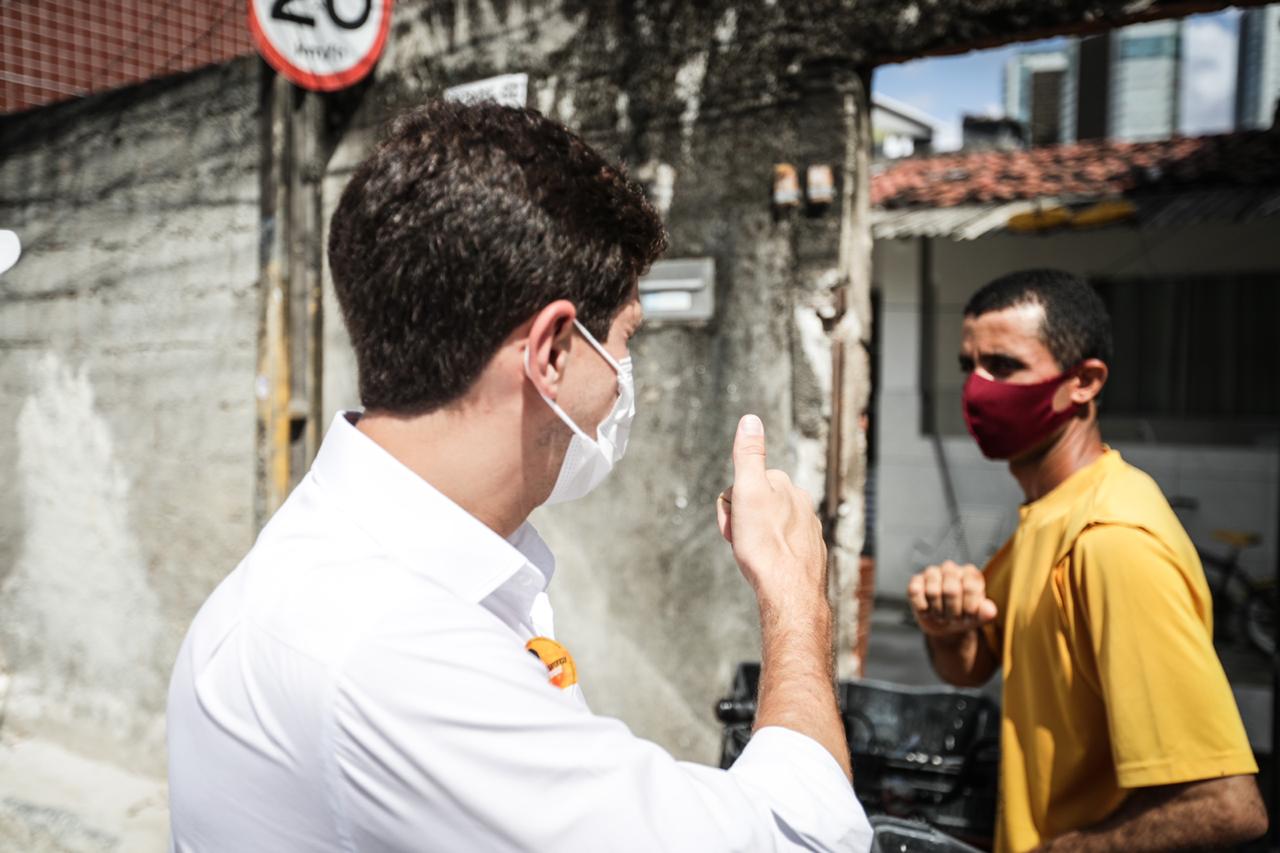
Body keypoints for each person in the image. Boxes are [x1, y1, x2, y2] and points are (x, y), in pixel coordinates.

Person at [166, 100, 871, 852]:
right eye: (625, 341)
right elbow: (804, 839)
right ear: (554, 351)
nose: (625, 377)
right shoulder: (396, 656)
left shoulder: (331, 565)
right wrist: (796, 596)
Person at [906, 269, 1267, 852]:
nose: (977, 389)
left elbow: (1224, 806)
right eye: (968, 366)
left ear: (1085, 382)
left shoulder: (1111, 540)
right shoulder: (1050, 513)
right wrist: (947, 627)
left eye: (1003, 366)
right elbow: (974, 665)